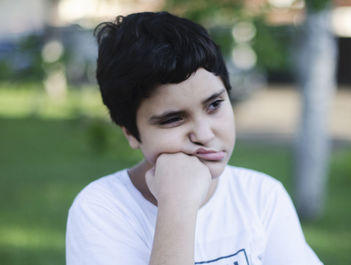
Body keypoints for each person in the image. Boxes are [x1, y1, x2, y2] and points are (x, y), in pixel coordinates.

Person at [66, 11, 323, 265]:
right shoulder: (103, 209)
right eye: (173, 119)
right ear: (131, 133)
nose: (203, 134)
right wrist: (178, 203)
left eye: (214, 105)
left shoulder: (261, 197)